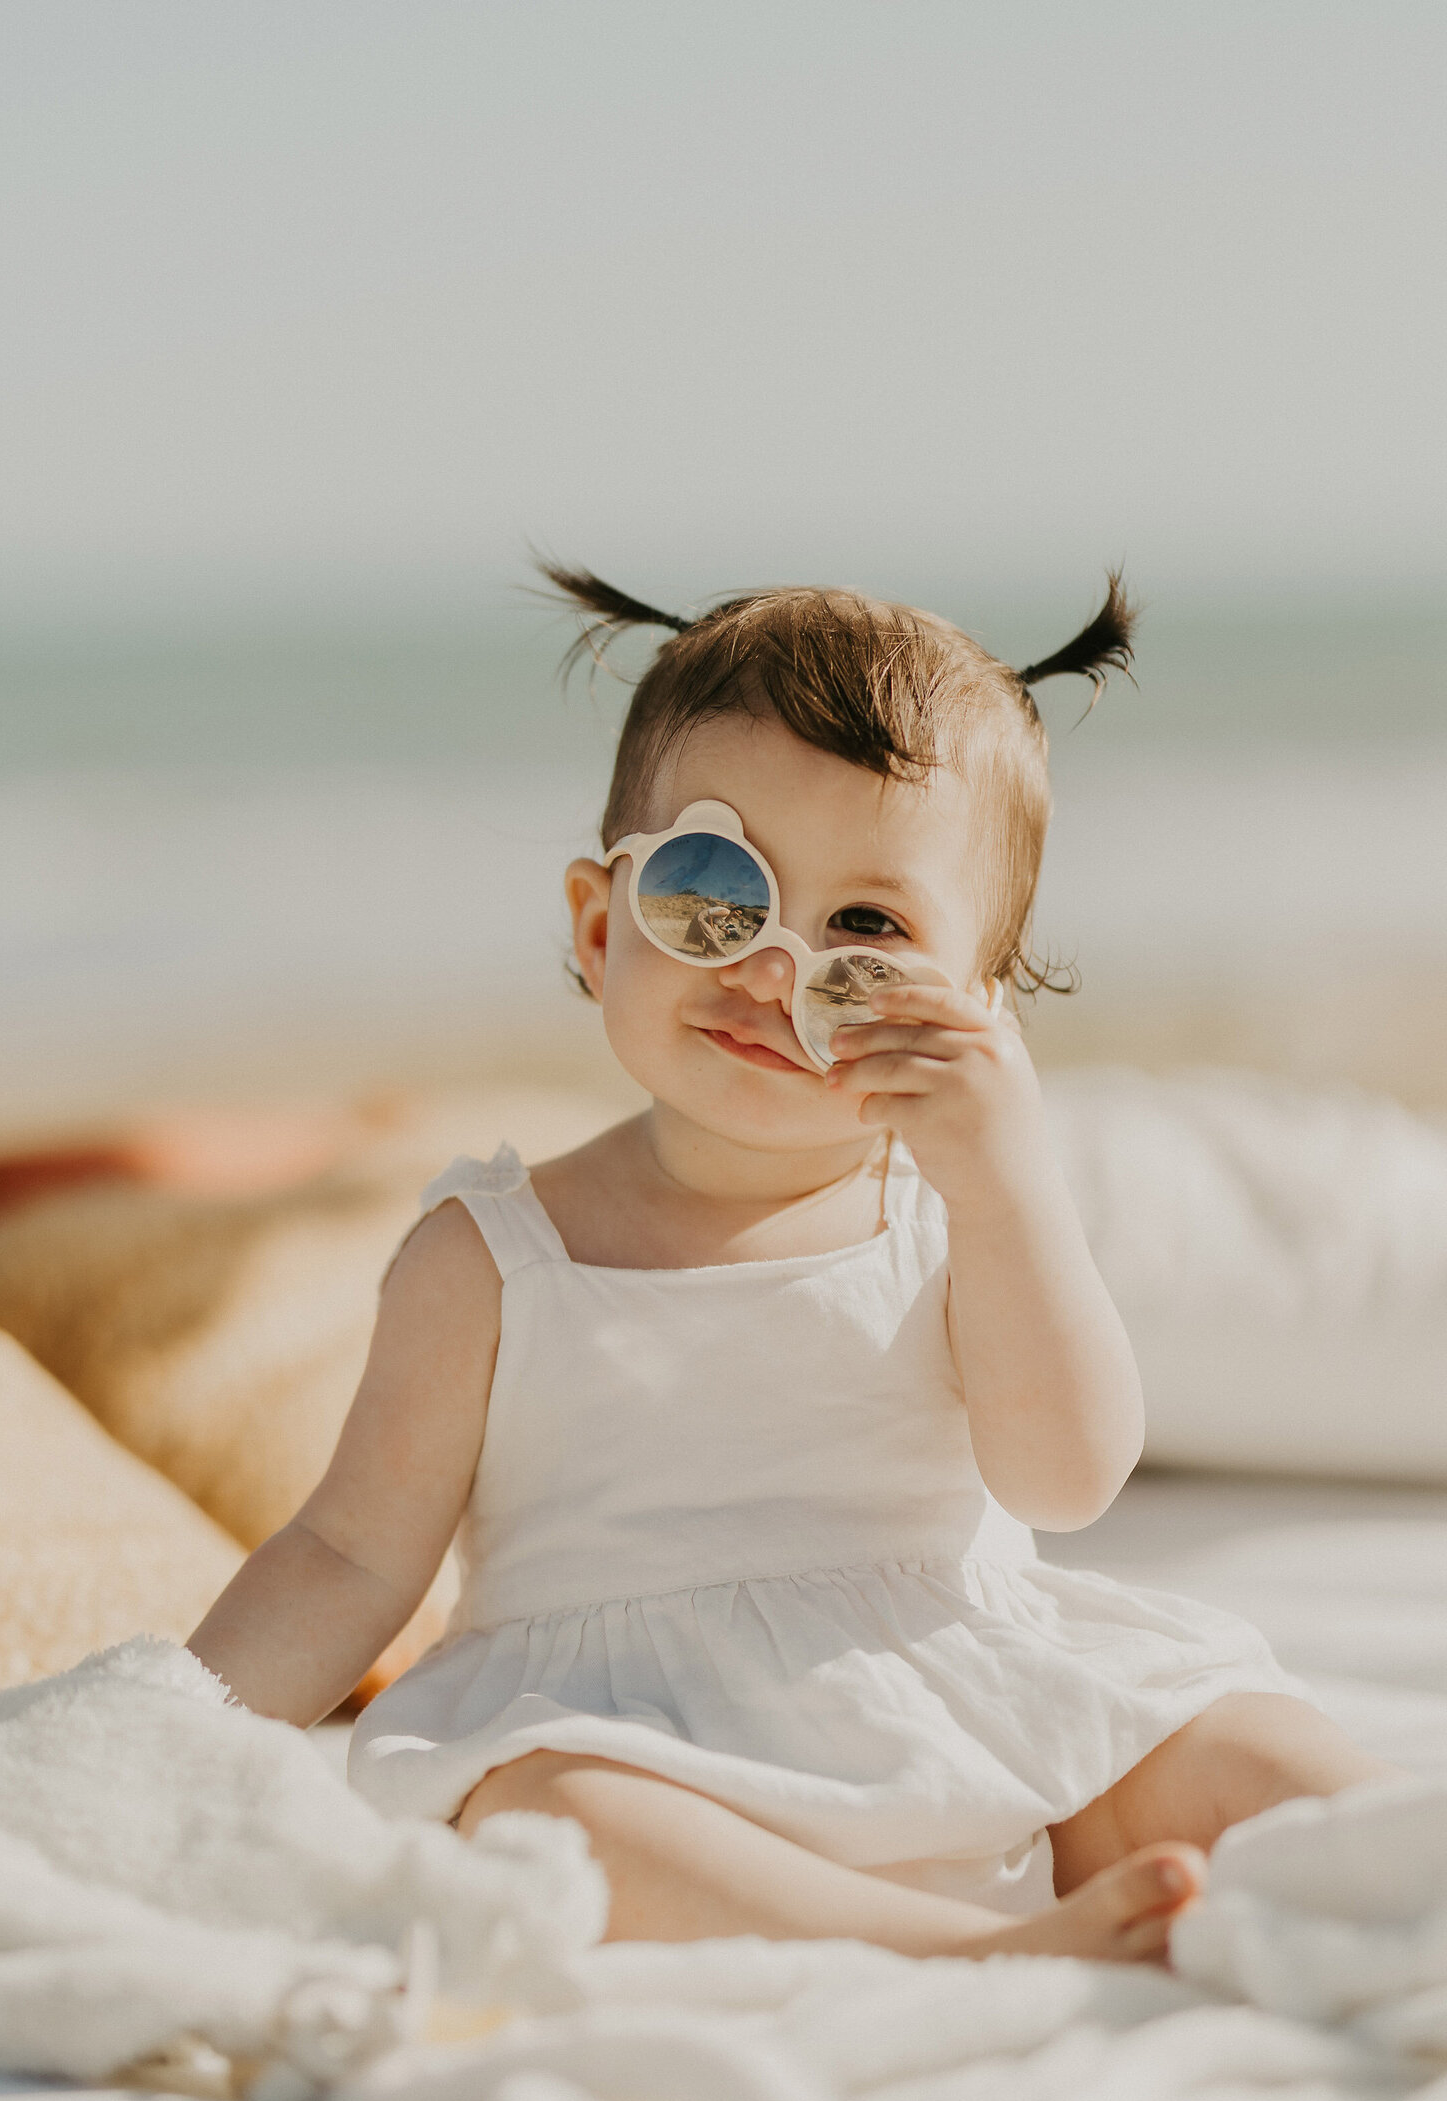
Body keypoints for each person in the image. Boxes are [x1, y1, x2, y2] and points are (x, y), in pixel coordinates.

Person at [189, 567, 1392, 1963]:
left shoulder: (954, 1218)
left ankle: (1393, 1858)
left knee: (1234, 1740)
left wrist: (1004, 1183)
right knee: (549, 1820)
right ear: (597, 923)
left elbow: (1066, 1479)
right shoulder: (490, 1261)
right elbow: (344, 1555)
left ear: (976, 1017)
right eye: (717, 891)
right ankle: (954, 1951)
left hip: (968, 1697)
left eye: (870, 933)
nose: (777, 965)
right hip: (646, 1737)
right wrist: (162, 1735)